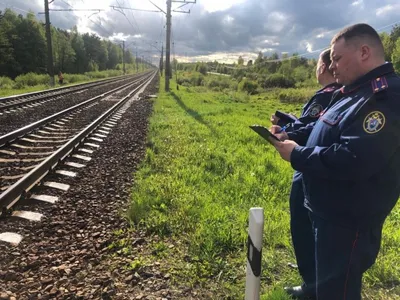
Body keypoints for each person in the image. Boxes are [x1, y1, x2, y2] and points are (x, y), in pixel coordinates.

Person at [270, 23, 400, 300]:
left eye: (337, 58)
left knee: (337, 291)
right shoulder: (353, 91)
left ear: (364, 52)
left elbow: (355, 158)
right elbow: (323, 128)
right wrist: (289, 135)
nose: (333, 66)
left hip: (348, 219)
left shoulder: (385, 96)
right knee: (327, 283)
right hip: (329, 210)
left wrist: (297, 154)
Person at [271, 49, 341, 299]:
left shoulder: (327, 95)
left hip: (309, 165)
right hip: (319, 165)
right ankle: (316, 283)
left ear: (323, 68)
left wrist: (287, 132)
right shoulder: (342, 94)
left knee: (303, 224)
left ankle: (312, 285)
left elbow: (311, 127)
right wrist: (290, 123)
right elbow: (314, 124)